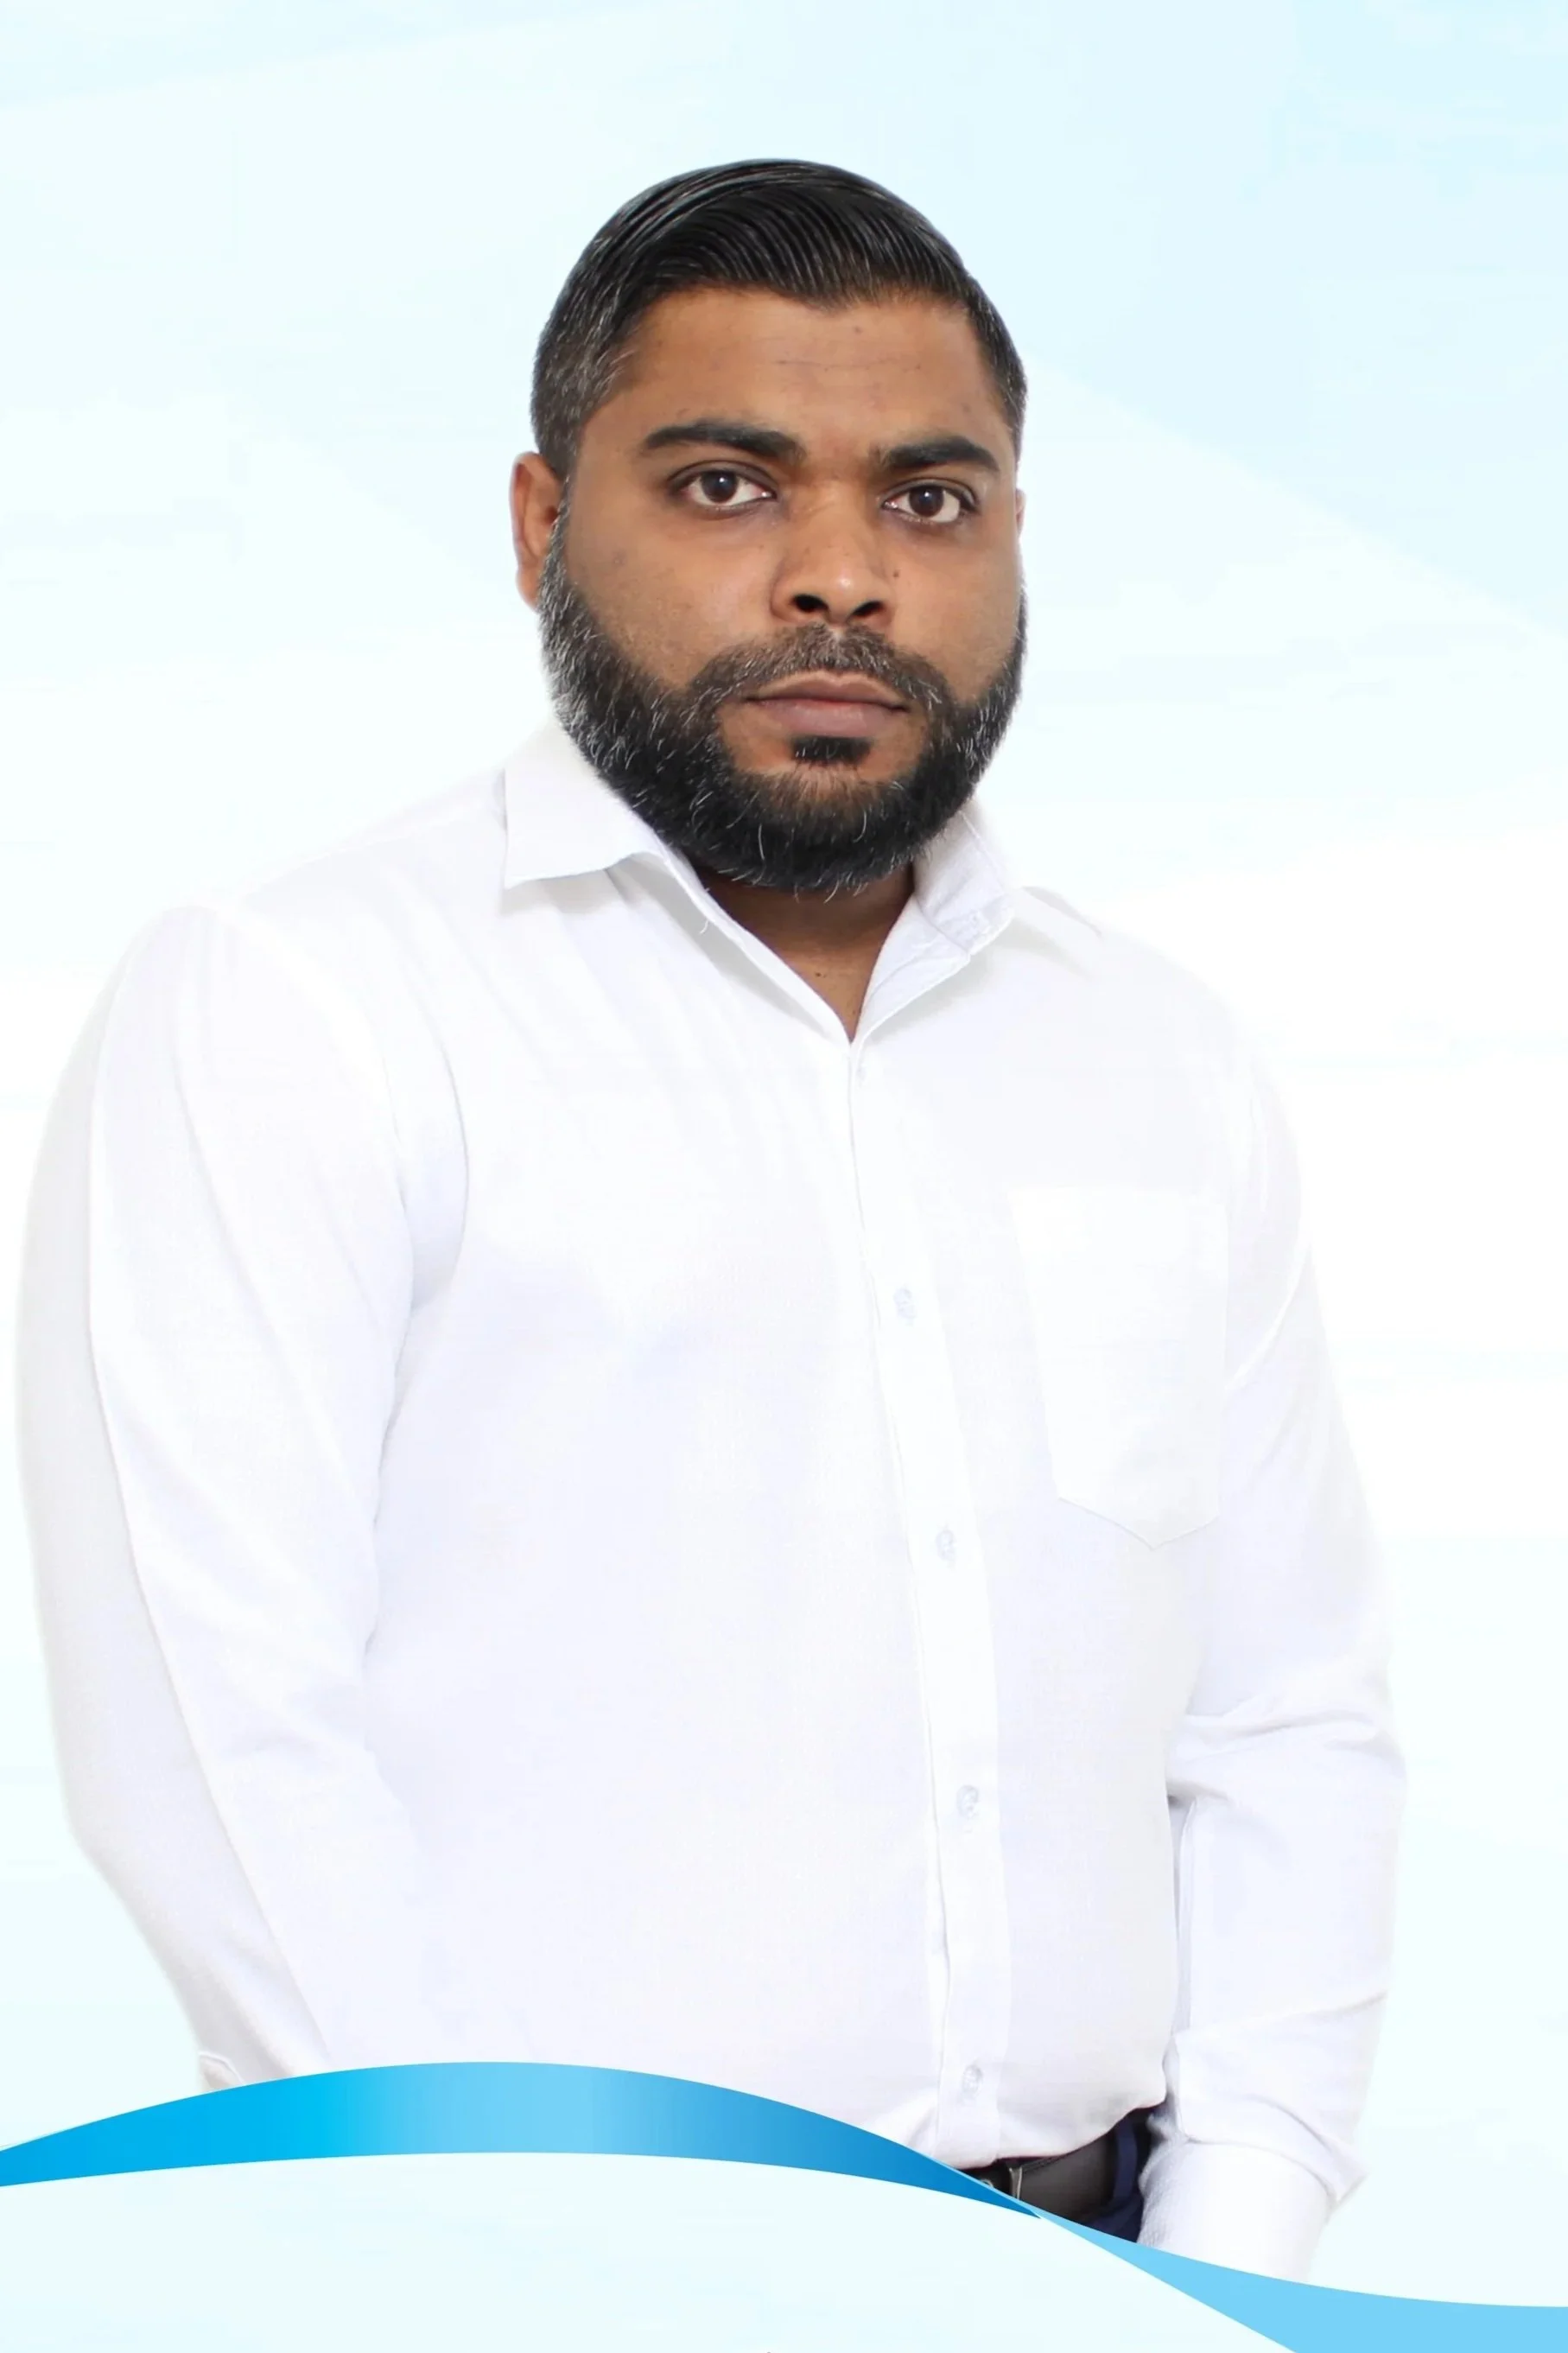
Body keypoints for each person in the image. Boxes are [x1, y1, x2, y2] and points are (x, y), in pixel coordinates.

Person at [17, 159, 1401, 2279]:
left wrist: (1228, 2249)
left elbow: (1283, 1707)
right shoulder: (299, 1005)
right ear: (540, 522)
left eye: (930, 500)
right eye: (729, 485)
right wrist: (503, 2257)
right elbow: (220, 1744)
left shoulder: (1158, 1055)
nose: (839, 577)